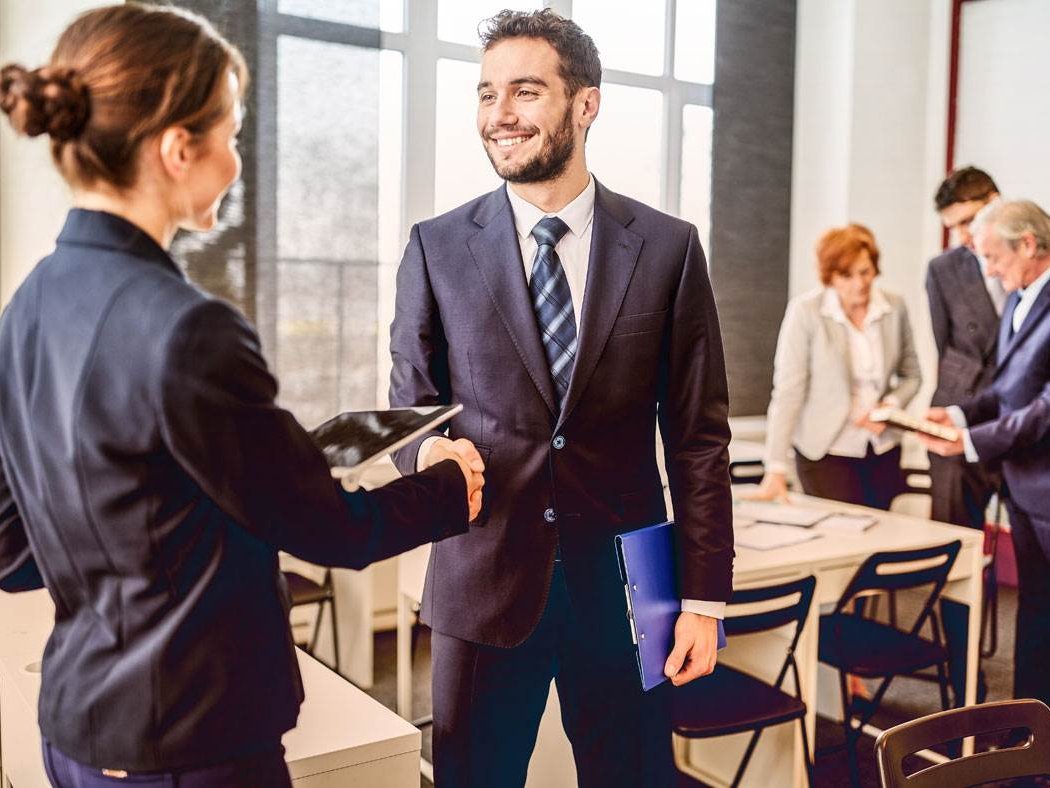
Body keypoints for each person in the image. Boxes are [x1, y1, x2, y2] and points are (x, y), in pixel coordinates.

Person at [0, 5, 483, 787]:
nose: (236, 163)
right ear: (176, 148)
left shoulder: (26, 309)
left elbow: (13, 551)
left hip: (77, 731)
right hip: (190, 746)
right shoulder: (190, 330)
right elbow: (332, 531)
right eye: (230, 136)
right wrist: (449, 490)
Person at [388, 9, 733, 786]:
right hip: (483, 580)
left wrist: (704, 600)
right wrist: (425, 451)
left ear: (586, 103)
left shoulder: (668, 247)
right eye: (485, 94)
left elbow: (698, 438)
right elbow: (411, 403)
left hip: (628, 590)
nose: (498, 116)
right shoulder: (435, 246)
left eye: (524, 91)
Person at [921, 199, 1050, 710]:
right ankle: (1029, 732)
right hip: (1025, 487)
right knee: (1035, 614)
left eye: (995, 257)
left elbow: (1044, 408)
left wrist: (972, 442)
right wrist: (954, 417)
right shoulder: (1020, 301)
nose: (990, 271)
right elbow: (1004, 390)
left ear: (1028, 244)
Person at [753, 223, 921, 509]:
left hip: (882, 448)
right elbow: (788, 391)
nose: (859, 283)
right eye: (846, 275)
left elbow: (913, 375)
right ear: (829, 276)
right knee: (843, 537)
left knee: (879, 538)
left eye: (865, 272)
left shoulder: (894, 307)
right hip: (826, 450)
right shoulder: (806, 312)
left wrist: (889, 406)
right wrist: (776, 466)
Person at [926, 166, 1005, 528]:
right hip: (959, 410)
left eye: (969, 221)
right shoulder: (942, 269)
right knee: (954, 535)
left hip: (1020, 414)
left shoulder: (1033, 253)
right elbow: (946, 348)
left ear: (996, 203)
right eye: (954, 227)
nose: (964, 236)